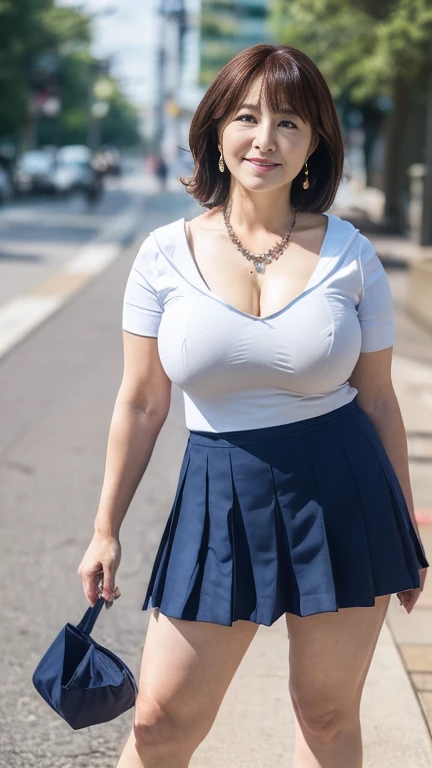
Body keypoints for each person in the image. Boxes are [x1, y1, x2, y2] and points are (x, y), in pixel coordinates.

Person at [78, 44, 429, 768]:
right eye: (246, 117)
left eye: (289, 122)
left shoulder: (352, 255)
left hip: (345, 494)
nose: (265, 139)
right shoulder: (162, 254)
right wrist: (105, 527)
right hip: (218, 492)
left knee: (326, 717)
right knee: (159, 724)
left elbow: (380, 403)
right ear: (214, 131)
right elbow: (143, 403)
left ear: (315, 145)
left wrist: (405, 534)